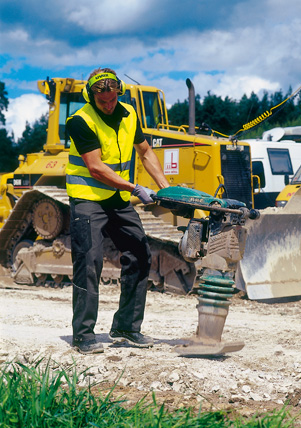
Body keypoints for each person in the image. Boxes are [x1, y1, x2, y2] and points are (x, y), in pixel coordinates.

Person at [65, 68, 169, 354]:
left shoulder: (129, 114)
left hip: (116, 197)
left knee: (140, 252)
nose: (109, 105)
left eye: (112, 100)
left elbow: (146, 152)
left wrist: (165, 187)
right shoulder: (79, 121)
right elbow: (96, 168)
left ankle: (126, 328)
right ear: (91, 96)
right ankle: (83, 335)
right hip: (87, 198)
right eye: (103, 101)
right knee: (90, 261)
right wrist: (135, 188)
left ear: (118, 94)